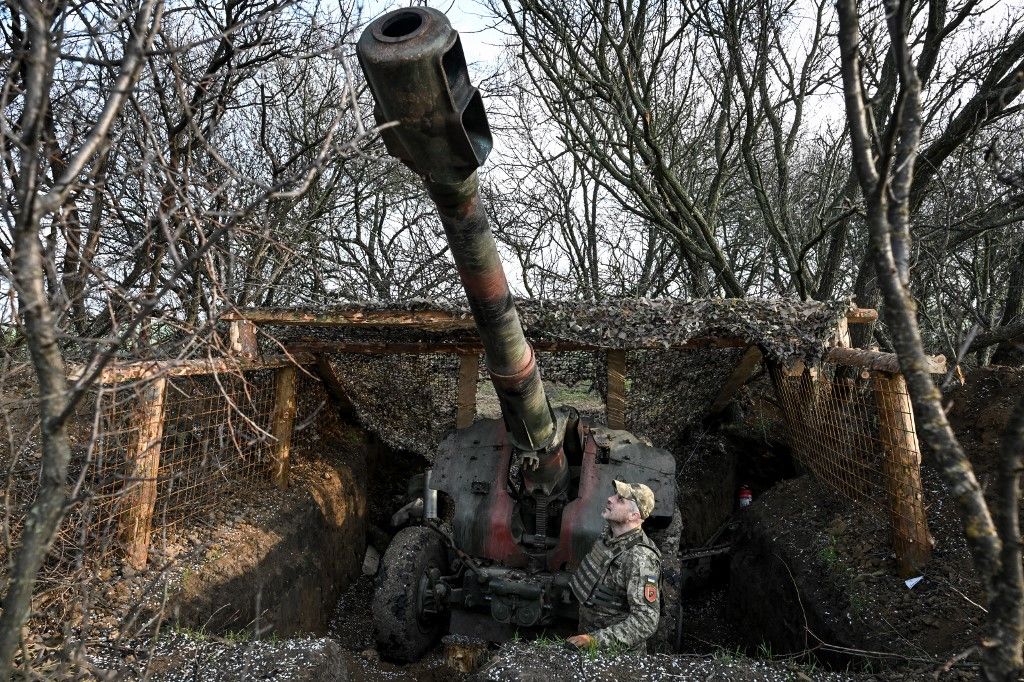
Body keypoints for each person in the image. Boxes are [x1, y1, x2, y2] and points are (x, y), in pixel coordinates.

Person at [566, 480, 661, 654]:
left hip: (617, 656)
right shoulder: (609, 535)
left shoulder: (640, 557)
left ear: (634, 516)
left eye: (620, 500)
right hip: (589, 644)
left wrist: (595, 641)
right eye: (614, 495)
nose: (610, 499)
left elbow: (646, 621)